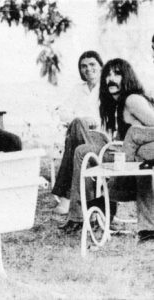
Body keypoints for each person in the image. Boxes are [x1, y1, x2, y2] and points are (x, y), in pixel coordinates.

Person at [66, 58, 154, 242]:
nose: (110, 78)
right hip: (131, 152)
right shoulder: (115, 103)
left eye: (117, 74)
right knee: (83, 150)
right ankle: (146, 228)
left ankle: (107, 200)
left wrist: (133, 137)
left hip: (140, 150)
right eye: (107, 74)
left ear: (127, 77)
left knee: (135, 146)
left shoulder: (132, 100)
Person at [51, 51, 108, 215]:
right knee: (77, 125)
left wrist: (95, 121)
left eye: (92, 65)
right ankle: (71, 197)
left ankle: (66, 197)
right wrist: (82, 120)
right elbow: (62, 112)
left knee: (75, 132)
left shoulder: (106, 88)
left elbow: (114, 117)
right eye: (84, 66)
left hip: (101, 138)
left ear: (100, 66)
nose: (88, 69)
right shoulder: (78, 89)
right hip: (79, 134)